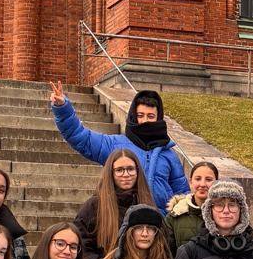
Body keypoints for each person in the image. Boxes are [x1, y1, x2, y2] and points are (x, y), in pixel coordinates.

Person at [49, 81, 186, 210]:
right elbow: (81, 137)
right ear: (133, 116)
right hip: (120, 217)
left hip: (159, 222)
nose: (145, 121)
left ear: (158, 118)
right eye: (140, 115)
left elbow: (182, 195)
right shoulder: (114, 144)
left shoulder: (169, 155)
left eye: (150, 116)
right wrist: (63, 108)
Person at [73, 148, 158, 259]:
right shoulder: (94, 206)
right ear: (111, 173)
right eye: (119, 170)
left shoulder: (148, 204)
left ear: (137, 171)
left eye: (130, 169)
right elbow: (81, 243)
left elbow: (159, 242)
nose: (126, 174)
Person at [167, 160, 219, 250]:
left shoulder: (226, 214)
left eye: (208, 180)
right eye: (198, 179)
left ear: (217, 183)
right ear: (190, 182)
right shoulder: (175, 215)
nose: (202, 184)